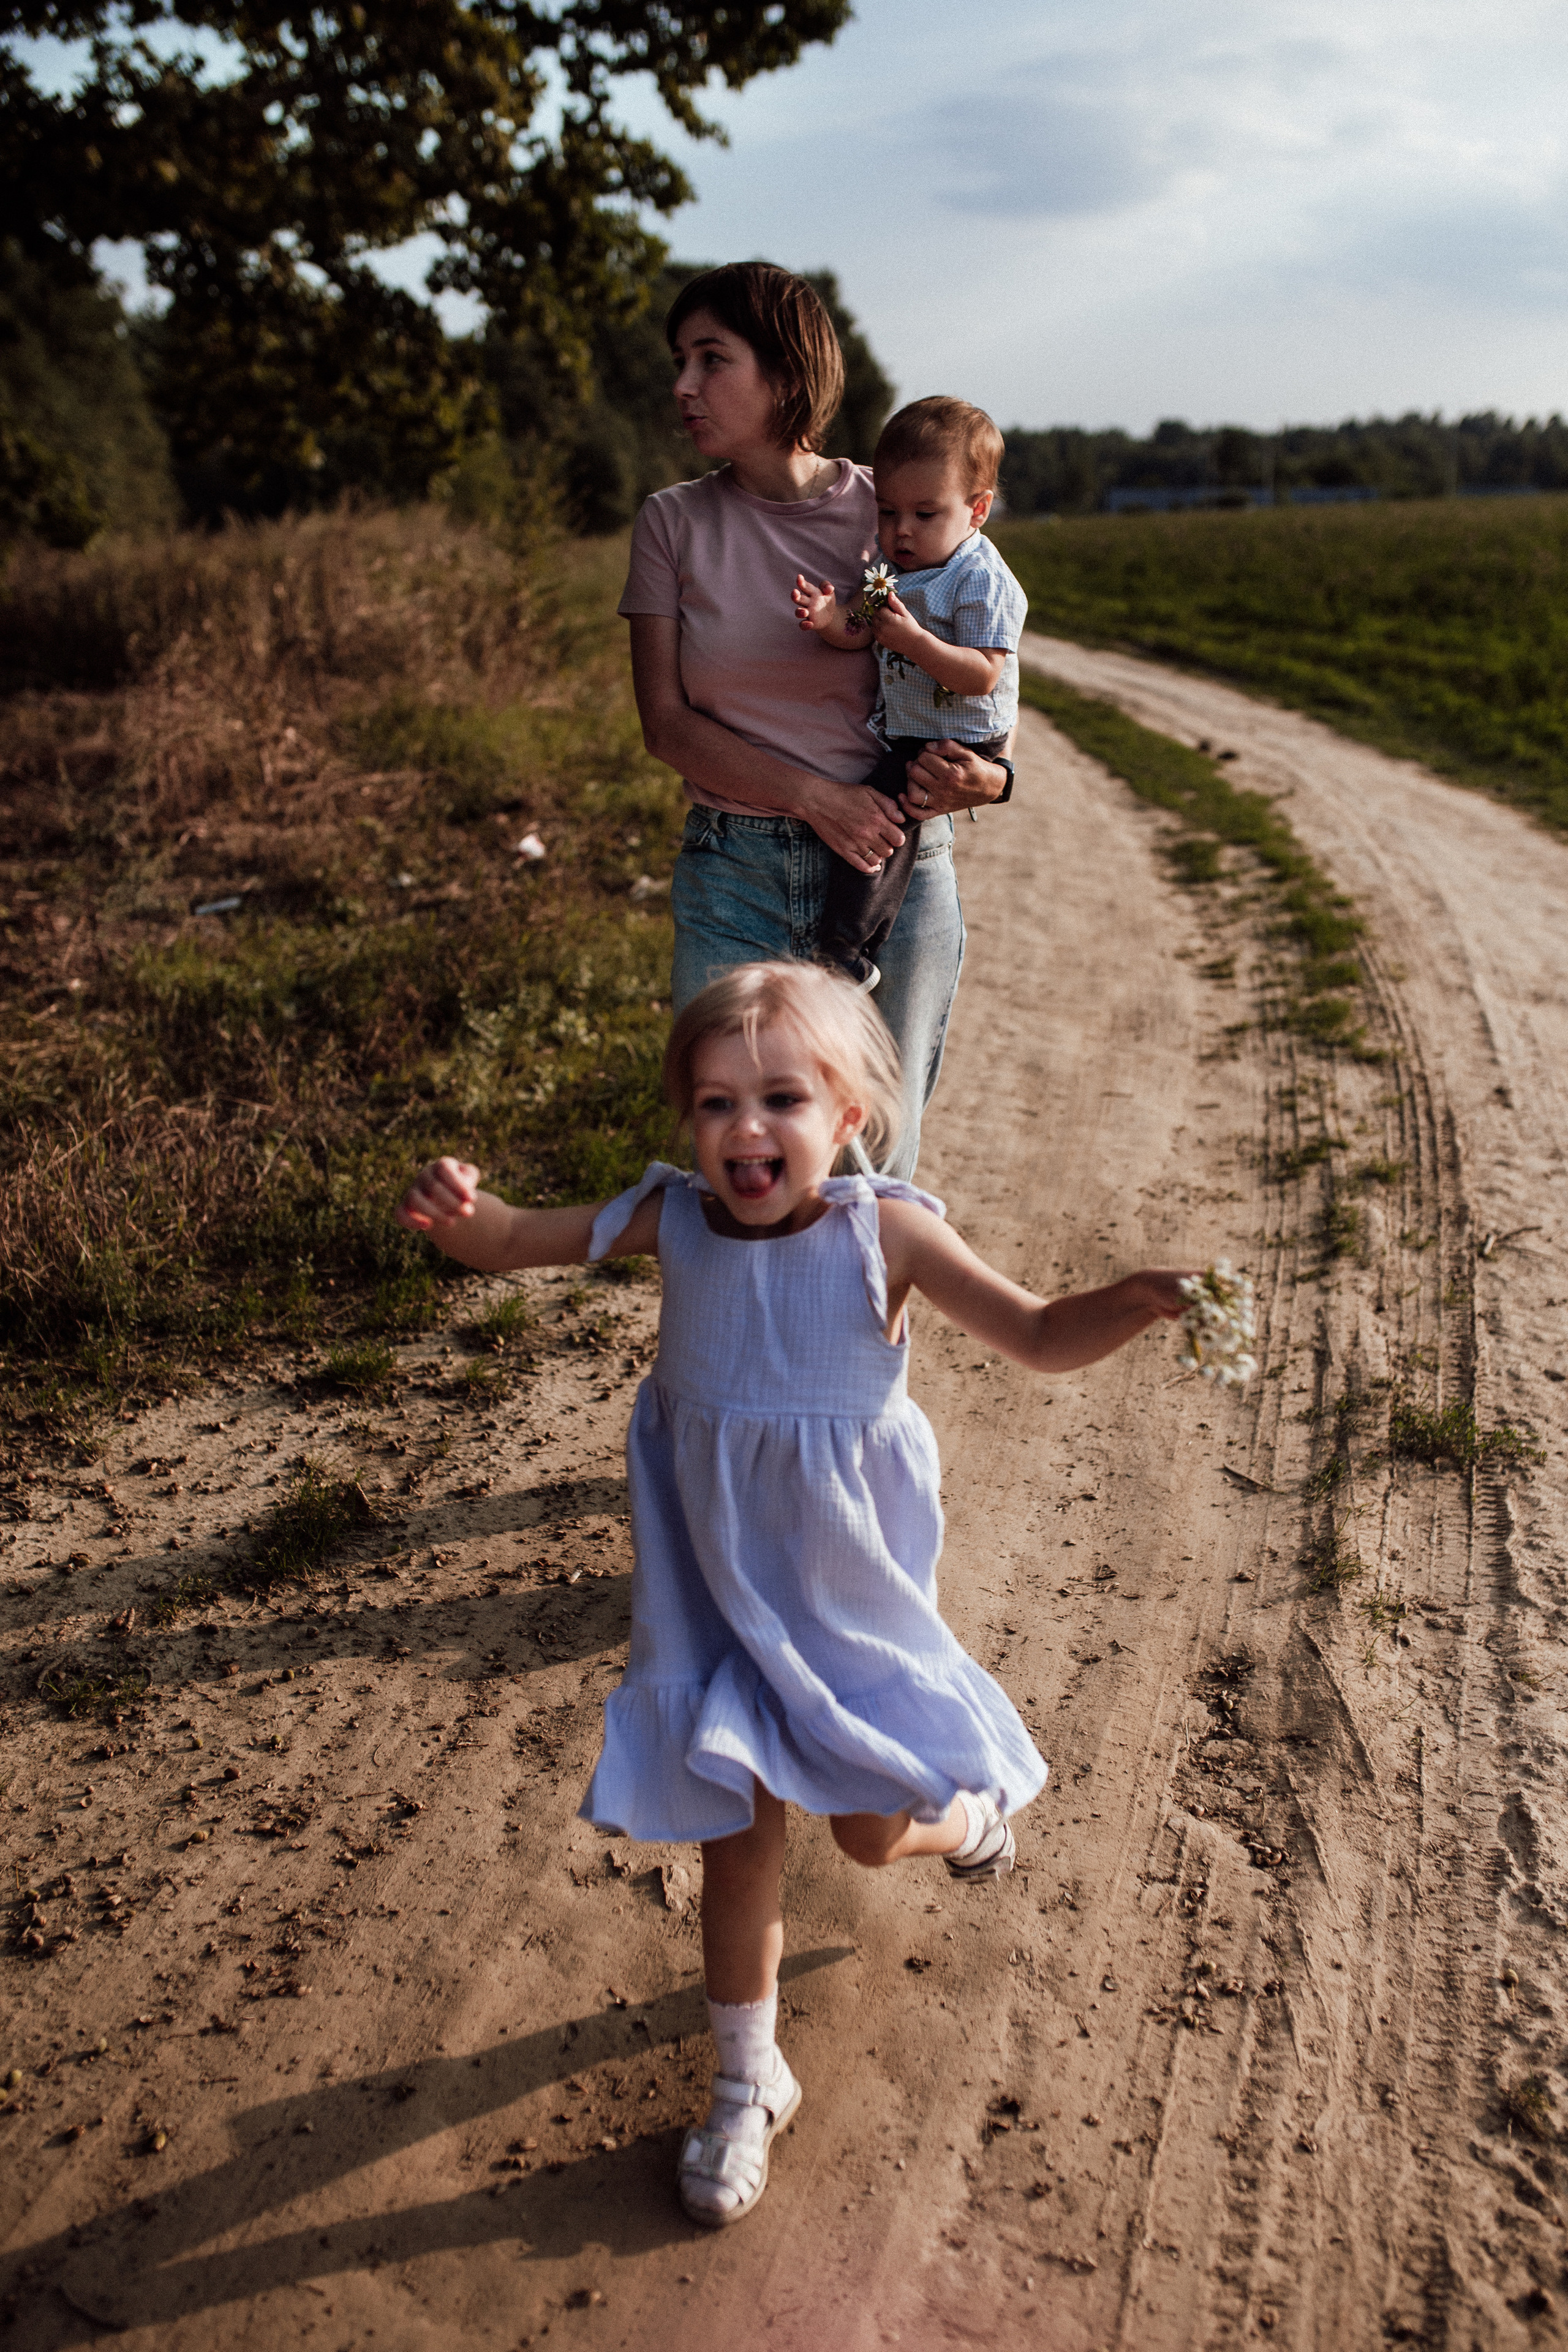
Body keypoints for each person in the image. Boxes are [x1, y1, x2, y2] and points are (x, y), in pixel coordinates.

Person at [395, 962, 1195, 2230]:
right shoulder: (671, 1221)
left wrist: (1138, 1300)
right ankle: (744, 2076)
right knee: (740, 1830)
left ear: (848, 1117)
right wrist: (457, 1211)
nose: (743, 1129)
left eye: (779, 1098)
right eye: (713, 1103)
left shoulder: (885, 1237)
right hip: (713, 1594)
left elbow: (1038, 1334)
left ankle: (969, 1826)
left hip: (840, 1603)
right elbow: (511, 1241)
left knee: (871, 1835)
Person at [621, 262, 1013, 1180]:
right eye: (679, 361)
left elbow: (988, 671)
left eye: (711, 359)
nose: (684, 386)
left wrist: (994, 778)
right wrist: (817, 799)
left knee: (872, 1180)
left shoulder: (901, 507)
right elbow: (665, 726)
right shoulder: (670, 524)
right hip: (735, 877)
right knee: (744, 1172)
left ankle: (867, 1331)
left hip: (893, 881)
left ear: (787, 371)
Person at [791, 396, 1028, 987]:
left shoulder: (980, 578)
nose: (901, 530)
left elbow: (982, 675)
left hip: (965, 733)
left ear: (977, 511)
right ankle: (862, 941)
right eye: (888, 510)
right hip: (920, 727)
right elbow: (856, 629)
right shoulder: (888, 572)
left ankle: (847, 948)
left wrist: (915, 641)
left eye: (925, 514)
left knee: (883, 817)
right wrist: (827, 619)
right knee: (892, 817)